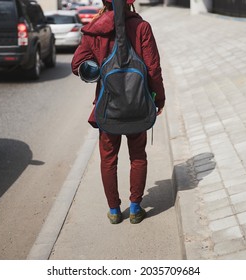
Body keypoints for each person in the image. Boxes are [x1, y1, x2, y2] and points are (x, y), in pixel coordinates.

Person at [71, 0, 165, 224]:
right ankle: (135, 208)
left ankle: (114, 211)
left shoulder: (95, 29)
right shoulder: (142, 28)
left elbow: (77, 64)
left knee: (108, 159)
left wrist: (96, 66)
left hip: (108, 106)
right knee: (138, 156)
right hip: (138, 105)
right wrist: (159, 99)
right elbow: (153, 69)